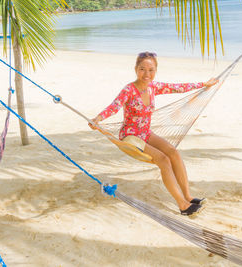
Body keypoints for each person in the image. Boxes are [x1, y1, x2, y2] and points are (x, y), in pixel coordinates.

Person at [89, 52, 218, 217]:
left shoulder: (153, 87)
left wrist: (203, 84)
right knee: (163, 160)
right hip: (131, 136)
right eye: (142, 69)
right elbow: (114, 106)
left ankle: (188, 196)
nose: (146, 74)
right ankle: (183, 205)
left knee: (173, 152)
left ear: (156, 71)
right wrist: (98, 119)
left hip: (145, 132)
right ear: (136, 69)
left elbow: (178, 87)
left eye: (151, 70)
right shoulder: (129, 90)